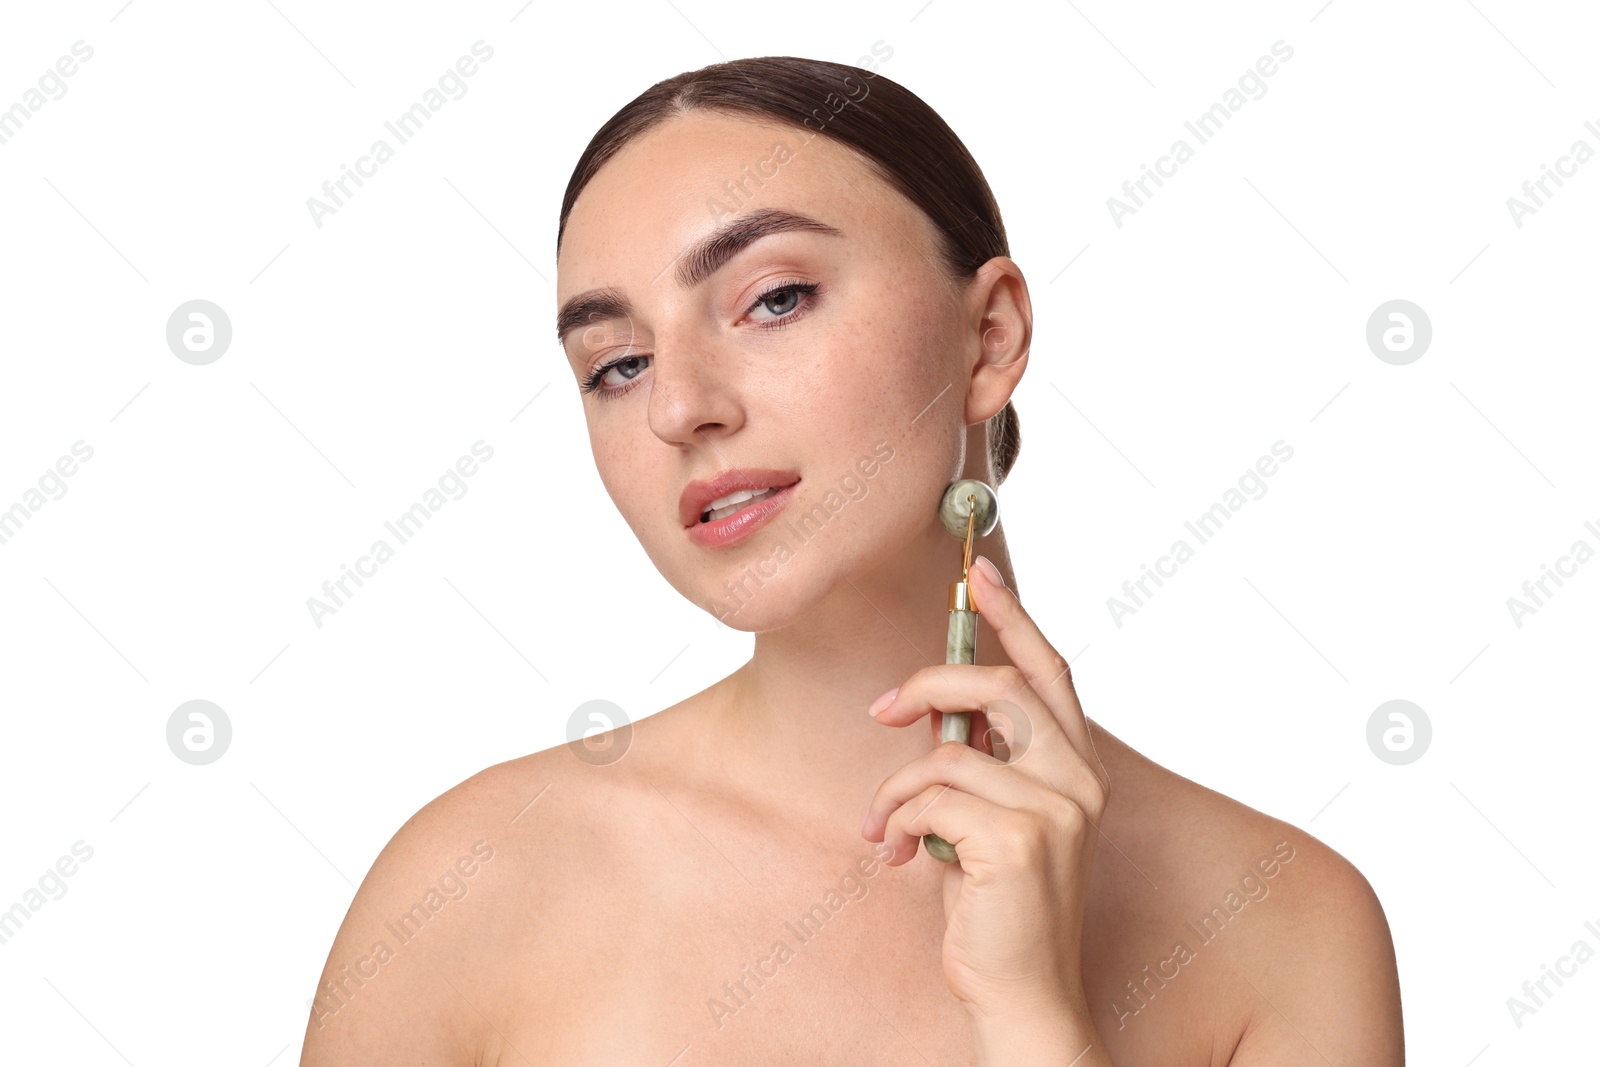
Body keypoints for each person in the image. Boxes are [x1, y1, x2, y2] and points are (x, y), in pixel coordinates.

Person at [300, 56, 1403, 1065]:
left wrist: (1030, 1014)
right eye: (619, 364)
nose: (681, 406)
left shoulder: (1282, 925)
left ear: (990, 337)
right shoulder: (468, 887)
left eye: (773, 299)